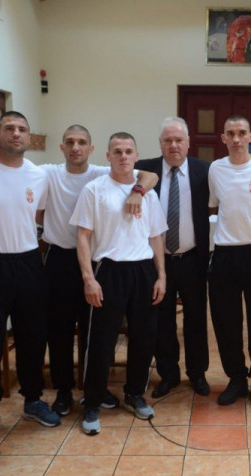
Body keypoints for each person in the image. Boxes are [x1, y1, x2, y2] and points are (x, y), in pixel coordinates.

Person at [36, 125, 158, 416]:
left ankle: (96, 389)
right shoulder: (48, 173)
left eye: (81, 142)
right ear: (62, 147)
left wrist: (138, 191)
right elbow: (35, 208)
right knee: (60, 328)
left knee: (96, 331)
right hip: (61, 258)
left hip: (95, 259)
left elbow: (149, 176)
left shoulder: (102, 171)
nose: (75, 147)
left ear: (92, 149)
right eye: (69, 142)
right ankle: (64, 391)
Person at [70, 132, 167, 435]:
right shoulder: (94, 190)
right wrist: (88, 278)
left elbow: (156, 236)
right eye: (117, 151)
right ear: (108, 156)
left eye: (128, 151)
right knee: (101, 340)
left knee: (144, 337)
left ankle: (135, 393)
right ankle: (92, 401)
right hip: (108, 270)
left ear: (136, 156)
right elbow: (83, 236)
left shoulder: (148, 193)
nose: (123, 156)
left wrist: (161, 275)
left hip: (143, 271)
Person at [0, 111, 59, 440]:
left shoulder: (39, 175)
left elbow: (37, 215)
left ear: (28, 136)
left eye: (22, 129)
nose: (16, 133)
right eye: (9, 128)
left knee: (33, 336)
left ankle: (33, 399)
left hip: (28, 262)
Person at [137, 117, 211, 398]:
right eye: (168, 140)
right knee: (162, 320)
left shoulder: (205, 171)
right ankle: (168, 374)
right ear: (160, 143)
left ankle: (197, 373)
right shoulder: (145, 170)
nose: (174, 145)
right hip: (158, 261)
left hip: (192, 259)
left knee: (196, 319)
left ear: (188, 143)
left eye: (179, 140)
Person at [208, 116, 251, 410]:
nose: (236, 139)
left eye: (241, 133)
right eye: (231, 134)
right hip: (224, 254)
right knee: (226, 322)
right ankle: (236, 379)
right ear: (223, 138)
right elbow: (214, 206)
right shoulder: (216, 168)